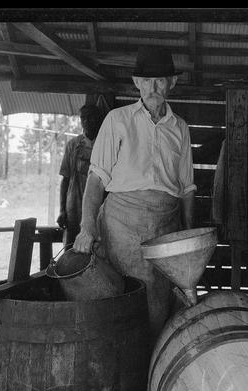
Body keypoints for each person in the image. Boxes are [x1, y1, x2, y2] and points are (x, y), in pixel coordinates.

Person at [73, 47, 196, 340]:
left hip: (166, 229)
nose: (153, 88)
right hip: (121, 228)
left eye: (160, 81)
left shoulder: (180, 128)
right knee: (123, 303)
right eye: (147, 81)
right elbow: (96, 178)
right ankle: (123, 377)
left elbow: (187, 189)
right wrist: (87, 227)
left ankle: (152, 375)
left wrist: (190, 236)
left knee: (160, 305)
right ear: (136, 82)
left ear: (172, 83)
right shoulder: (118, 120)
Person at [57, 105, 104, 249]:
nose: (87, 121)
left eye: (91, 117)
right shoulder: (73, 145)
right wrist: (62, 210)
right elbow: (65, 180)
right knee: (72, 249)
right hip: (74, 208)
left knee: (97, 249)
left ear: (99, 120)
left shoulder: (105, 145)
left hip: (99, 206)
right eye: (83, 118)